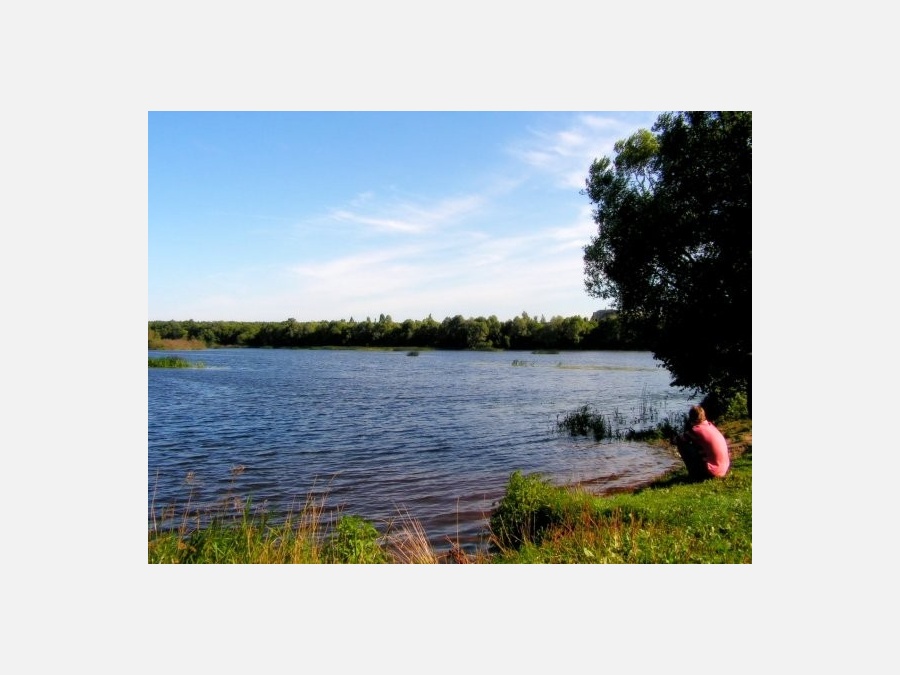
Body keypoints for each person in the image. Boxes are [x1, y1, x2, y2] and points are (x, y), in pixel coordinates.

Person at [674, 405, 730, 480]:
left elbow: (679, 440)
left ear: (691, 418)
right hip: (723, 469)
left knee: (682, 444)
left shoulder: (695, 430)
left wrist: (674, 437)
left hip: (711, 472)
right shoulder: (711, 426)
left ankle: (694, 474)